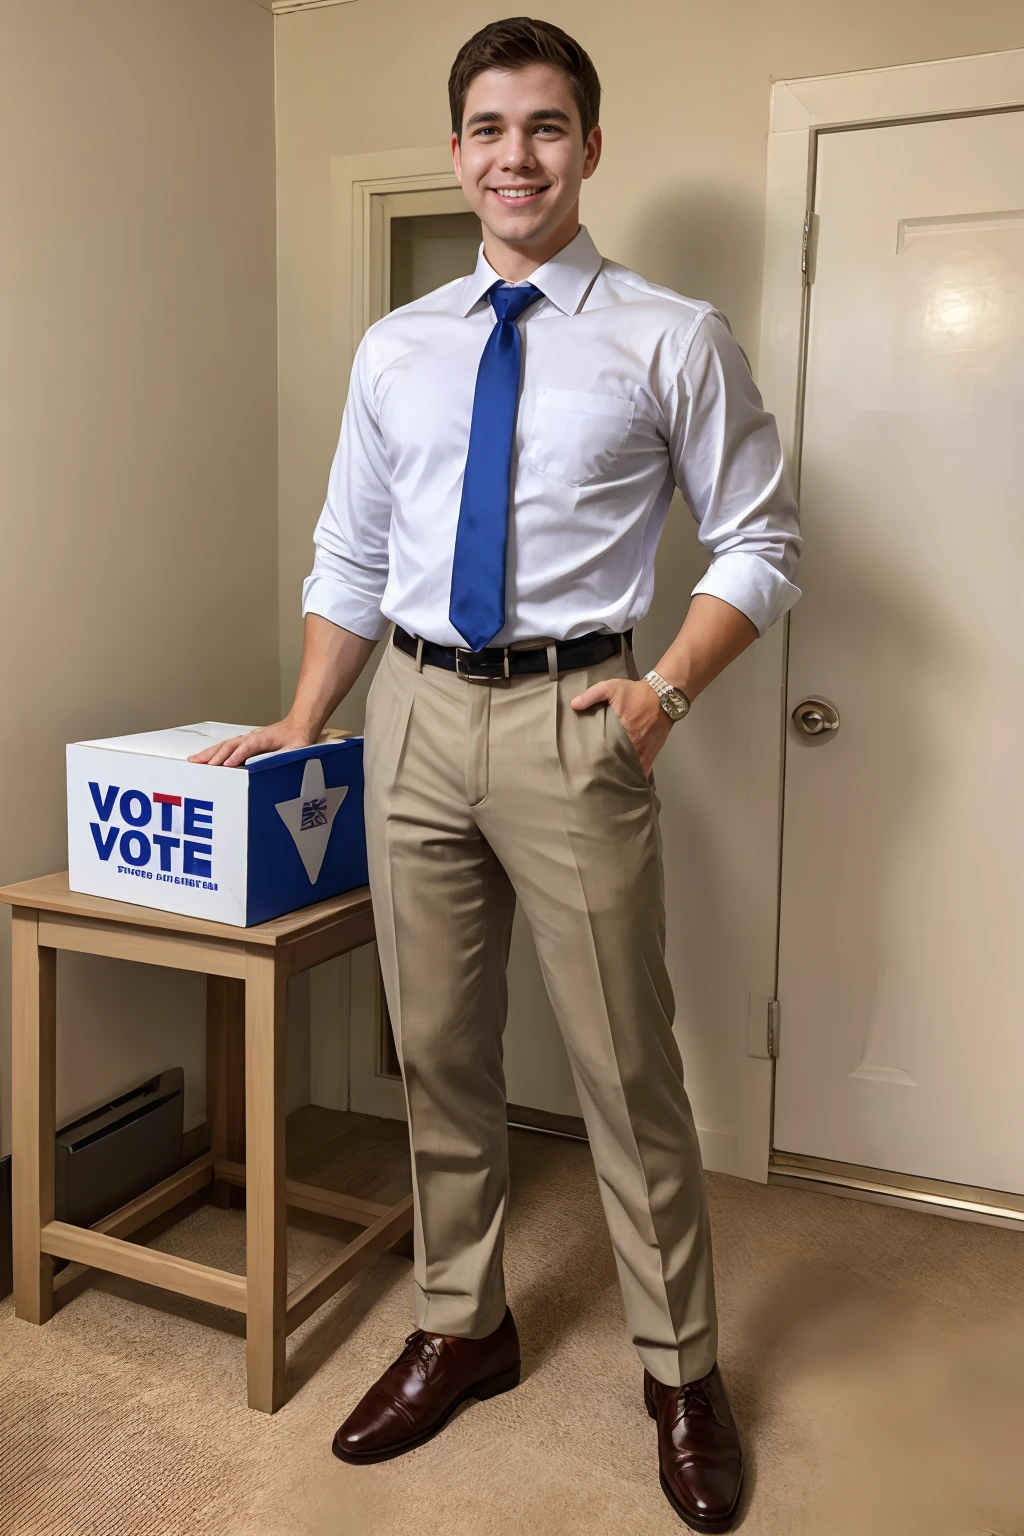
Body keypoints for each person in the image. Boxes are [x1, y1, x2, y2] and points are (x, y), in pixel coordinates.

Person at [194, 17, 800, 1530]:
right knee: (440, 1052)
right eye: (485, 127)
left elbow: (764, 538)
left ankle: (681, 1372)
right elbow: (353, 549)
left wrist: (664, 690)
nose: (512, 156)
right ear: (455, 150)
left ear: (590, 147)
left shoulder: (672, 333)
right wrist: (303, 712)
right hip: (405, 714)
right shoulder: (396, 346)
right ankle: (464, 1326)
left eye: (543, 127)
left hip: (572, 722)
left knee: (623, 1066)